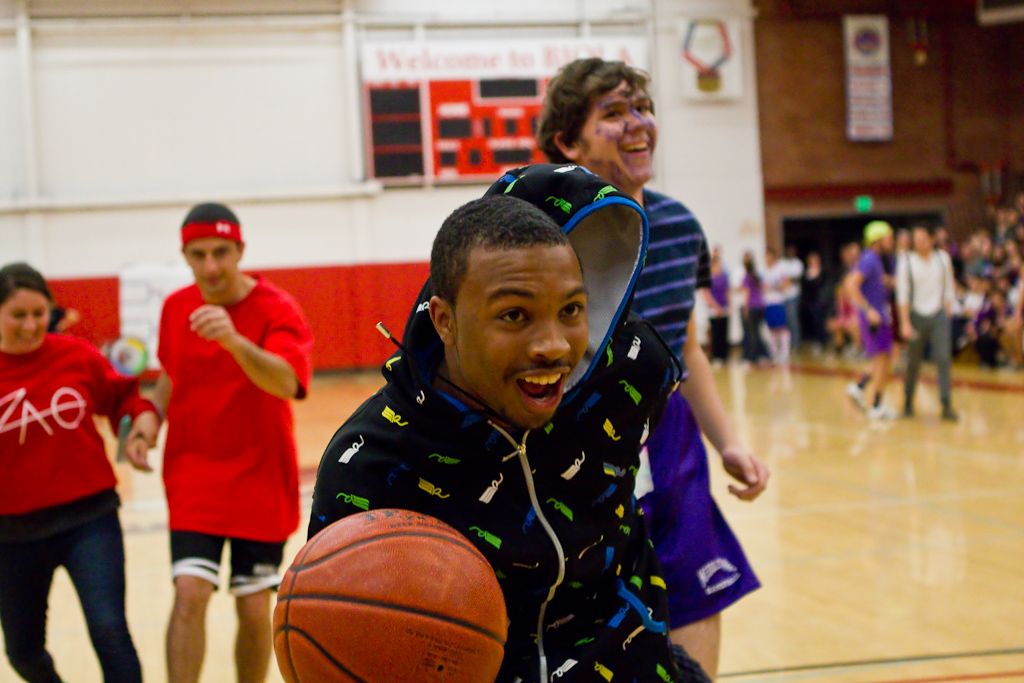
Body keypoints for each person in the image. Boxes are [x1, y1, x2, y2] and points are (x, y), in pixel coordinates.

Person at [310, 169, 710, 683]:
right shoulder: (371, 460)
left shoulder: (631, 375)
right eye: (515, 316)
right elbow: (337, 633)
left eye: (571, 309)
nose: (554, 345)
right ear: (444, 320)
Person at [538, 58, 769, 680]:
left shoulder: (678, 226)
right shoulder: (538, 236)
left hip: (668, 438)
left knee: (697, 586)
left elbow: (686, 347)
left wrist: (728, 444)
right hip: (571, 445)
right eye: (613, 114)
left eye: (642, 108)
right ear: (566, 142)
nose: (637, 124)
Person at [146, 203, 314, 683]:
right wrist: (149, 424)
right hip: (194, 473)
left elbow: (288, 383)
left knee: (253, 606)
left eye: (221, 252)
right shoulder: (176, 307)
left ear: (240, 250)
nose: (211, 266)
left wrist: (237, 342)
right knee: (189, 596)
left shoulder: (277, 309)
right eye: (198, 255)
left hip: (261, 475)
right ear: (185, 256)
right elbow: (170, 375)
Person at [0, 262, 159, 683]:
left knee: (110, 631)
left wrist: (140, 427)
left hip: (89, 519)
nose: (32, 325)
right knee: (23, 651)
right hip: (11, 535)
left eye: (40, 313)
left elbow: (126, 399)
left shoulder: (76, 355)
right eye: (18, 315)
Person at [896, 226, 958, 421]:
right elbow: (902, 294)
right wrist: (905, 322)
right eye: (915, 239)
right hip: (916, 316)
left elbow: (949, 285)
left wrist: (949, 307)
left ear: (932, 240)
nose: (918, 243)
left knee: (943, 358)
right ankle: (908, 400)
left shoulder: (943, 259)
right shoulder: (906, 261)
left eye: (922, 239)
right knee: (913, 362)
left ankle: (946, 404)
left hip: (939, 315)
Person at [845, 220, 897, 420]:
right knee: (883, 361)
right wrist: (868, 310)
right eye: (888, 237)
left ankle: (861, 389)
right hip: (875, 318)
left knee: (882, 360)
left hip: (880, 315)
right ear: (877, 240)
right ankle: (873, 403)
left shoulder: (875, 260)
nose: (891, 241)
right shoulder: (869, 258)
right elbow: (851, 285)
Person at [739, 251, 770, 365]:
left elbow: (746, 294)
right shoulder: (757, 276)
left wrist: (745, 308)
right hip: (761, 306)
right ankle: (764, 355)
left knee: (752, 333)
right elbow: (764, 289)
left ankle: (754, 356)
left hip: (752, 307)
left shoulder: (746, 278)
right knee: (757, 331)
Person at [702, 247, 731, 366]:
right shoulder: (708, 278)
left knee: (724, 332)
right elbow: (706, 294)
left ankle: (725, 356)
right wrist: (716, 307)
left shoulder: (724, 275)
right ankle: (716, 356)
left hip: (724, 308)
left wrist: (729, 304)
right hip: (713, 309)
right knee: (715, 333)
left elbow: (727, 290)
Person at [762, 247, 791, 364]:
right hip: (768, 302)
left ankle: (785, 352)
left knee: (781, 328)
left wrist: (773, 287)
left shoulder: (780, 269)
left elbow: (786, 285)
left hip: (778, 301)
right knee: (771, 329)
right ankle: (773, 353)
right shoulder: (764, 271)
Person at [781, 245, 804, 351]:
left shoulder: (797, 263)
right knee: (785, 321)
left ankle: (796, 343)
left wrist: (788, 279)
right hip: (782, 296)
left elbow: (796, 278)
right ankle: (787, 344)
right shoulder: (782, 263)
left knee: (793, 319)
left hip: (793, 295)